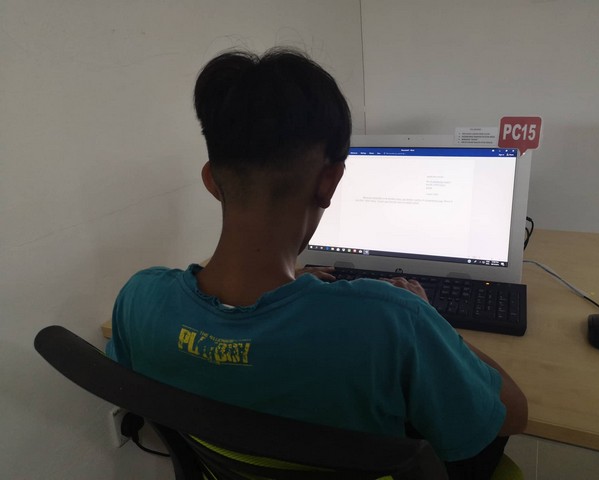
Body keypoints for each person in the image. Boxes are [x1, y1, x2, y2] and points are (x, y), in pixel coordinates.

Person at [107, 47, 527, 478]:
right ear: (330, 182)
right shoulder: (392, 322)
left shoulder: (139, 299)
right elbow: (512, 415)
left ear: (211, 180)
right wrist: (429, 319)